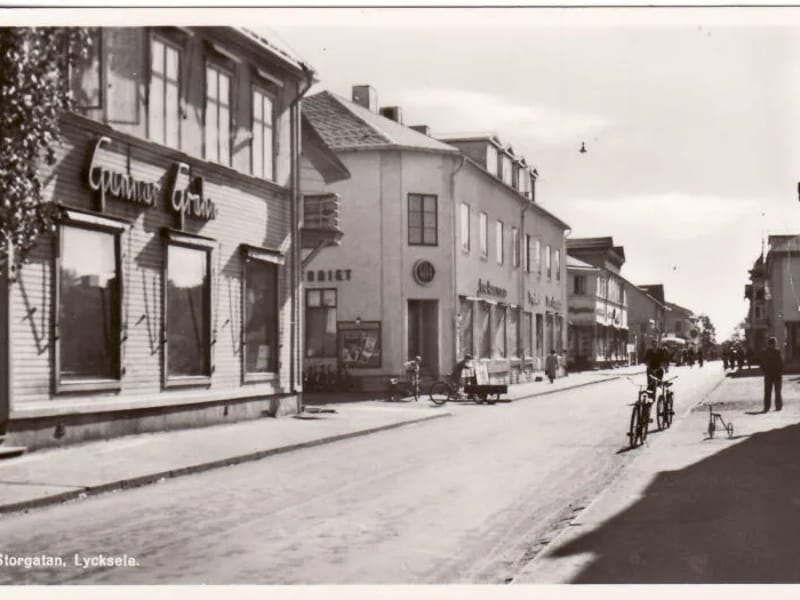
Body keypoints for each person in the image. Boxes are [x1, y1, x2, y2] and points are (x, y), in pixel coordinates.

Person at [760, 337, 784, 412]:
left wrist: (765, 370)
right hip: (775, 374)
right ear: (772, 344)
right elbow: (781, 362)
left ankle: (768, 407)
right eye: (774, 343)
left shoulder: (765, 352)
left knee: (769, 392)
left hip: (770, 374)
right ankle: (777, 406)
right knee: (776, 391)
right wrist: (780, 370)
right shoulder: (777, 352)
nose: (774, 345)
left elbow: (761, 363)